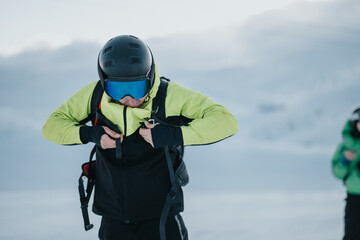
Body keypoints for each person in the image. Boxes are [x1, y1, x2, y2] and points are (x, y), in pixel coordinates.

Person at [42, 35, 238, 240]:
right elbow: (51, 126)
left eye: (137, 88)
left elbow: (226, 121)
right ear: (104, 81)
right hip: (113, 219)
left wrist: (171, 135)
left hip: (161, 218)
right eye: (117, 89)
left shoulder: (170, 95)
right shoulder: (95, 96)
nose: (129, 99)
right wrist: (91, 134)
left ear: (150, 76)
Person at [332, 106, 360, 240]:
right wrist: (345, 161)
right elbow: (337, 172)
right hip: (353, 196)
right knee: (352, 234)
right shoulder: (346, 146)